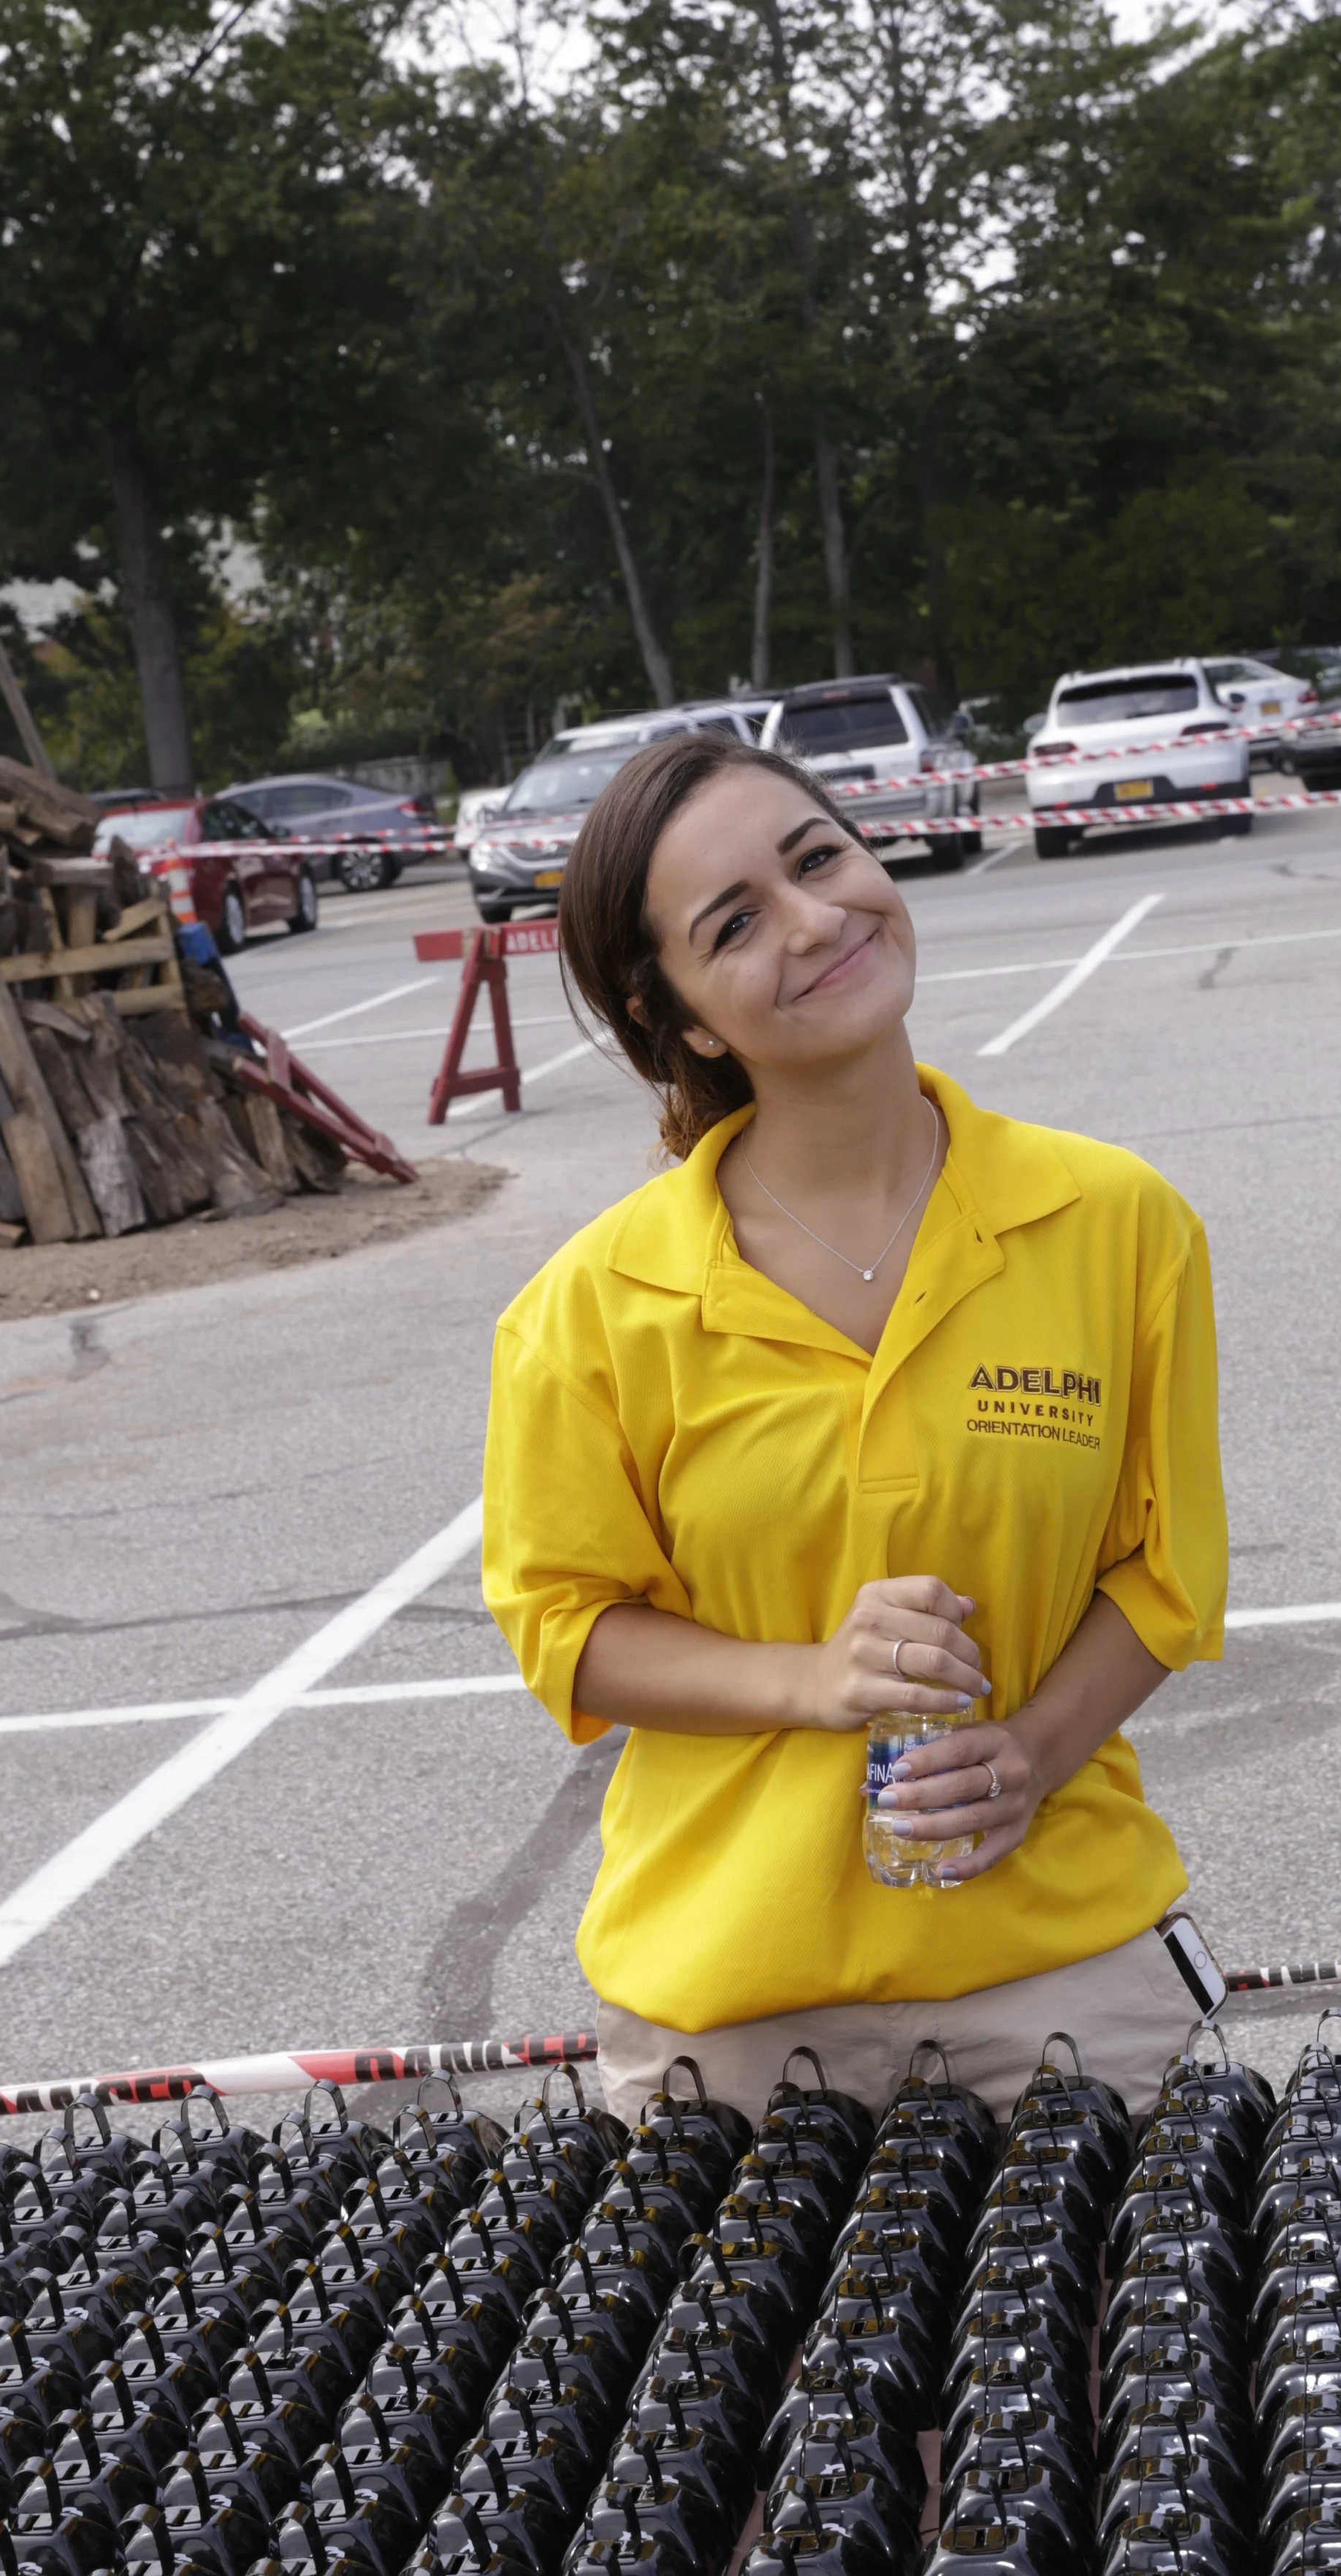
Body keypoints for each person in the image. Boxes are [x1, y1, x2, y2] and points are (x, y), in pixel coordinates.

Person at [482, 734, 1228, 2123]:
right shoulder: (588, 1309)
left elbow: (1166, 1572)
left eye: (819, 857)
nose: (818, 920)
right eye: (738, 922)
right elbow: (568, 1630)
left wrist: (1032, 1755)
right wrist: (811, 1681)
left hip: (1066, 1980)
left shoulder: (1117, 1222)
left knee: (1119, 2342)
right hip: (738, 2017)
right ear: (688, 1018)